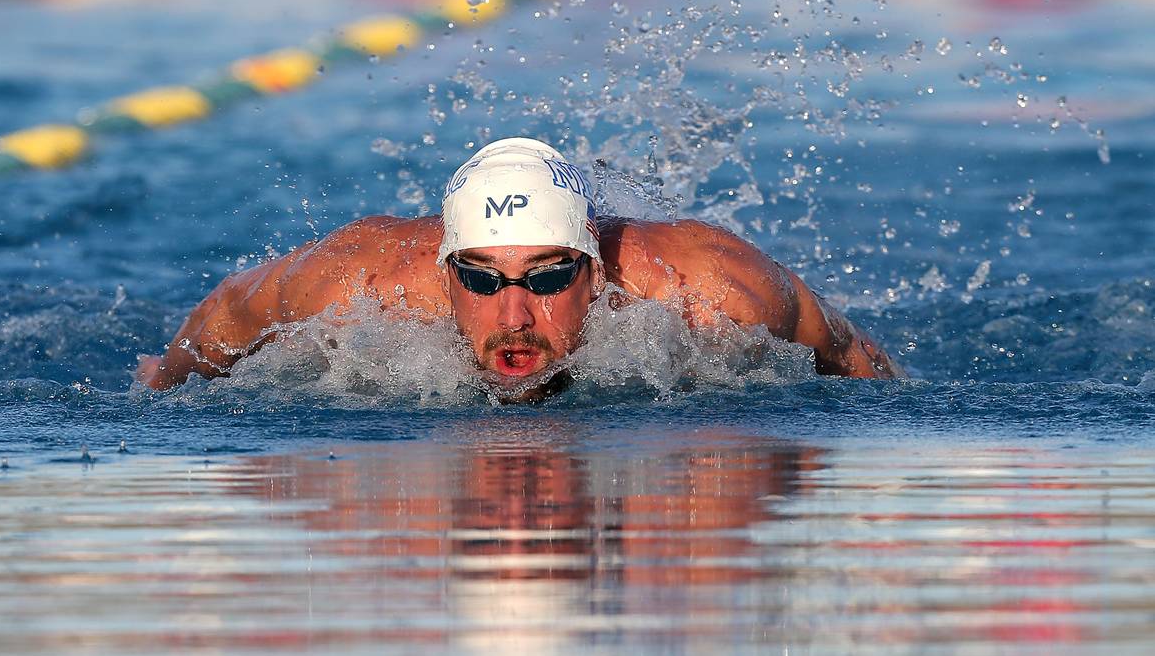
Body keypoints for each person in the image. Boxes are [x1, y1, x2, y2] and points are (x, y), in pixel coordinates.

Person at [136, 137, 902, 395]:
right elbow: (225, 318)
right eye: (479, 278)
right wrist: (159, 390)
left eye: (546, 278)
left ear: (594, 274)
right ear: (443, 277)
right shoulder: (359, 282)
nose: (513, 316)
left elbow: (857, 361)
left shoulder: (707, 290)